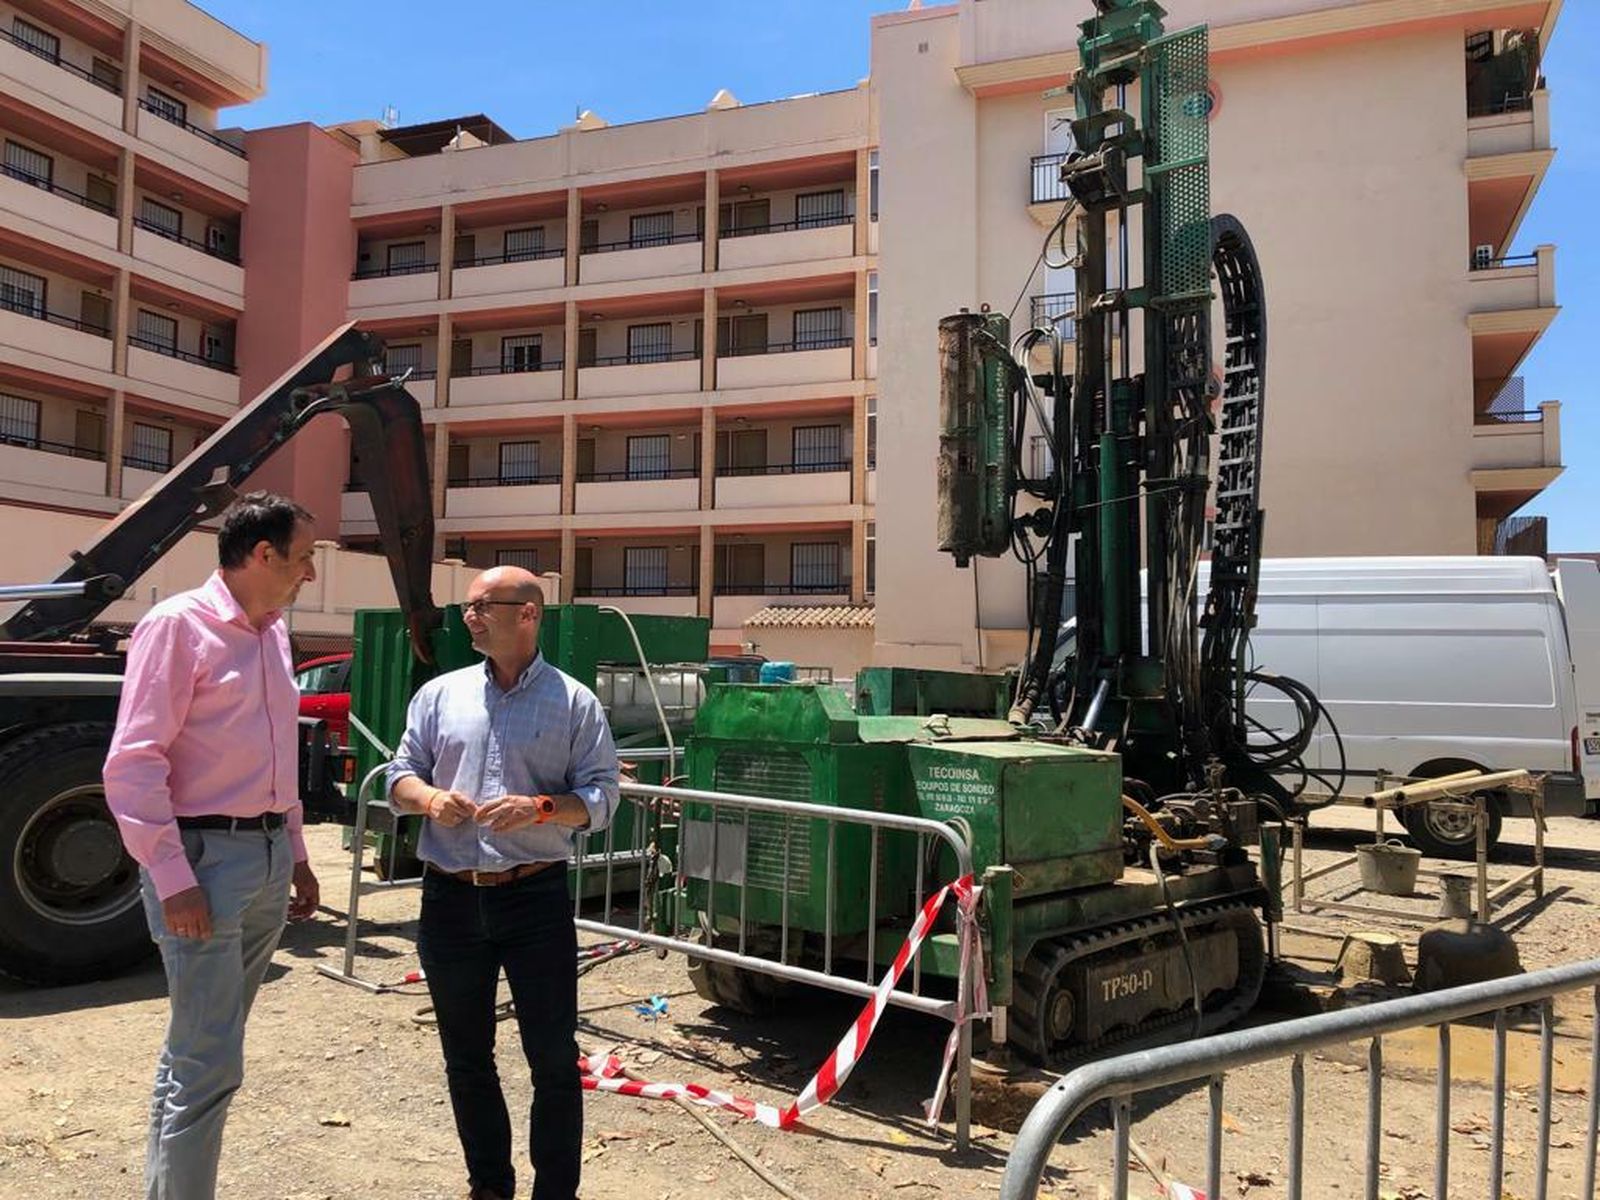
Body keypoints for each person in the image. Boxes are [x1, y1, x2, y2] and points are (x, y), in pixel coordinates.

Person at [103, 491, 323, 1200]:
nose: (310, 573)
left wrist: (297, 853)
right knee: (209, 1062)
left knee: (198, 1052)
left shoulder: (274, 633)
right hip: (204, 864)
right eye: (303, 558)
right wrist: (173, 879)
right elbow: (134, 762)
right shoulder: (177, 626)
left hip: (265, 857)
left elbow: (278, 754)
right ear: (262, 554)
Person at [387, 565, 619, 1200]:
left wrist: (541, 808)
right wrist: (430, 799)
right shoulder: (440, 695)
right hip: (450, 899)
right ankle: (489, 1186)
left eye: (484, 605)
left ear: (529, 614)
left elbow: (603, 797)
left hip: (533, 900)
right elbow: (399, 774)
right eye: (468, 606)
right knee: (466, 1058)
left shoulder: (574, 702)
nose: (470, 616)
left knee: (552, 1059)